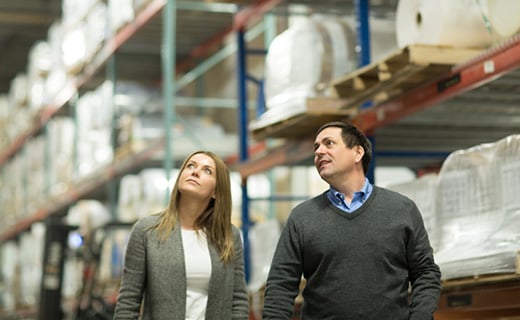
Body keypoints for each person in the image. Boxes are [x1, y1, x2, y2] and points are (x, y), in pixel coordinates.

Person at [262, 121, 441, 320]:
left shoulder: (401, 209)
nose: (319, 151)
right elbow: (280, 285)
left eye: (328, 143)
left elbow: (426, 273)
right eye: (316, 147)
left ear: (357, 152)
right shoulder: (302, 217)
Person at [113, 150, 249, 320]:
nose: (195, 171)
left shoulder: (228, 235)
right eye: (190, 165)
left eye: (207, 170)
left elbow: (238, 301)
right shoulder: (147, 231)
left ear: (216, 191)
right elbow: (128, 302)